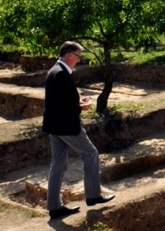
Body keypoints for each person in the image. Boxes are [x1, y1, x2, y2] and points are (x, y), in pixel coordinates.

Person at [42, 41, 114, 220]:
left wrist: (77, 103)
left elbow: (59, 101)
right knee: (90, 154)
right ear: (69, 55)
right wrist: (80, 108)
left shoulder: (54, 71)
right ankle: (93, 195)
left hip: (54, 126)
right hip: (67, 126)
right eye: (78, 57)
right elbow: (63, 106)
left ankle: (54, 206)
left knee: (58, 165)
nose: (78, 60)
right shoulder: (60, 74)